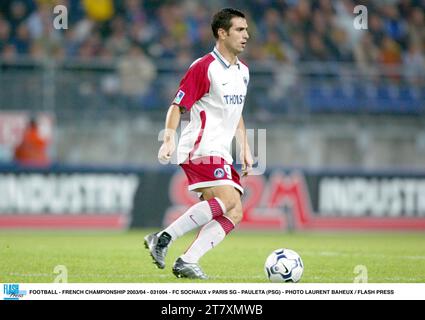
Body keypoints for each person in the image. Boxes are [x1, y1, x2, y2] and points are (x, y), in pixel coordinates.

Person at [144, 8, 253, 279]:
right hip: (200, 146)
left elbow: (235, 112)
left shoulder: (243, 72)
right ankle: (163, 237)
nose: (246, 35)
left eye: (246, 30)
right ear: (222, 33)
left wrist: (246, 147)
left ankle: (186, 260)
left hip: (220, 151)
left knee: (235, 211)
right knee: (229, 199)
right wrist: (168, 139)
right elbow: (177, 106)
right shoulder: (204, 67)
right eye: (240, 30)